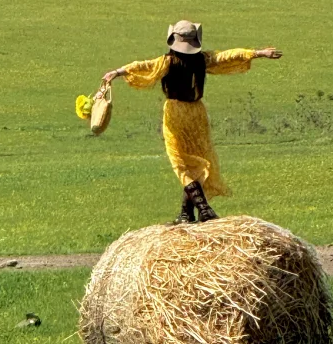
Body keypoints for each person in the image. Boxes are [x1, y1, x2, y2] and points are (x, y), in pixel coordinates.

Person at [102, 20, 282, 223]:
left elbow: (142, 66)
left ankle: (204, 209)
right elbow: (228, 56)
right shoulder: (202, 59)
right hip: (197, 113)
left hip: (175, 114)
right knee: (195, 159)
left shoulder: (167, 62)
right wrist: (259, 53)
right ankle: (186, 213)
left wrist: (117, 72)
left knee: (181, 162)